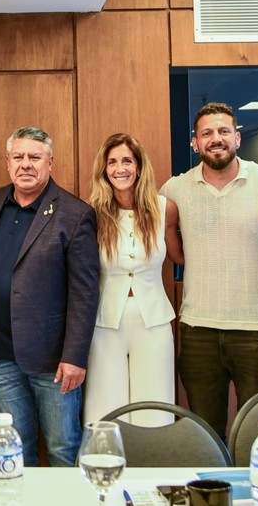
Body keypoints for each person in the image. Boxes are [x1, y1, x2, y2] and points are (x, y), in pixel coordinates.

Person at [160, 102, 258, 437]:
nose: (216, 139)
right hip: (198, 330)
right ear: (195, 143)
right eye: (207, 133)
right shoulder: (175, 189)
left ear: (237, 138)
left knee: (257, 433)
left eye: (224, 131)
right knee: (206, 434)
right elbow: (156, 231)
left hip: (257, 331)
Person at [0, 126, 100, 467]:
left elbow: (85, 293)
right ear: (7, 161)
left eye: (35, 157)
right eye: (18, 157)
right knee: (17, 448)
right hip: (1, 352)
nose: (26, 164)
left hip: (53, 361)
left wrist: (75, 356)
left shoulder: (74, 215)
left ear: (50, 162)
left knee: (62, 447)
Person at [83, 133, 184, 427]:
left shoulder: (164, 208)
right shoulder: (92, 212)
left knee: (155, 406)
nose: (120, 169)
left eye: (127, 161)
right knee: (104, 408)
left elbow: (180, 256)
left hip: (153, 320)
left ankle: (152, 456)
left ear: (139, 166)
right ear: (104, 170)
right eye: (112, 162)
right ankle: (106, 457)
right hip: (104, 322)